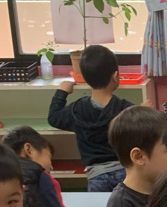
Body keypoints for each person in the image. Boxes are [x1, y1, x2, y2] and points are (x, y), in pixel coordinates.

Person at [47, 44, 132, 192]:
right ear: (115, 76)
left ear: (84, 78)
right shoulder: (126, 109)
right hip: (125, 172)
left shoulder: (76, 109)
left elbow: (54, 117)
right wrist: (143, 110)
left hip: (96, 176)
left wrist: (61, 92)